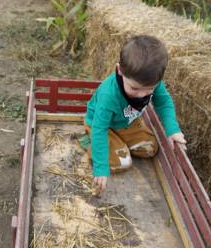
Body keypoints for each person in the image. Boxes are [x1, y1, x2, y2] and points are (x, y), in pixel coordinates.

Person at [80, 35, 187, 192]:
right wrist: (101, 167)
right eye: (135, 88)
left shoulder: (150, 80)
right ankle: (89, 143)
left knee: (150, 148)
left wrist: (172, 129)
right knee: (122, 162)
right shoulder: (108, 95)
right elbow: (100, 129)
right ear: (120, 70)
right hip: (102, 126)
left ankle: (120, 142)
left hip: (126, 122)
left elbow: (164, 102)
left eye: (149, 89)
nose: (142, 95)